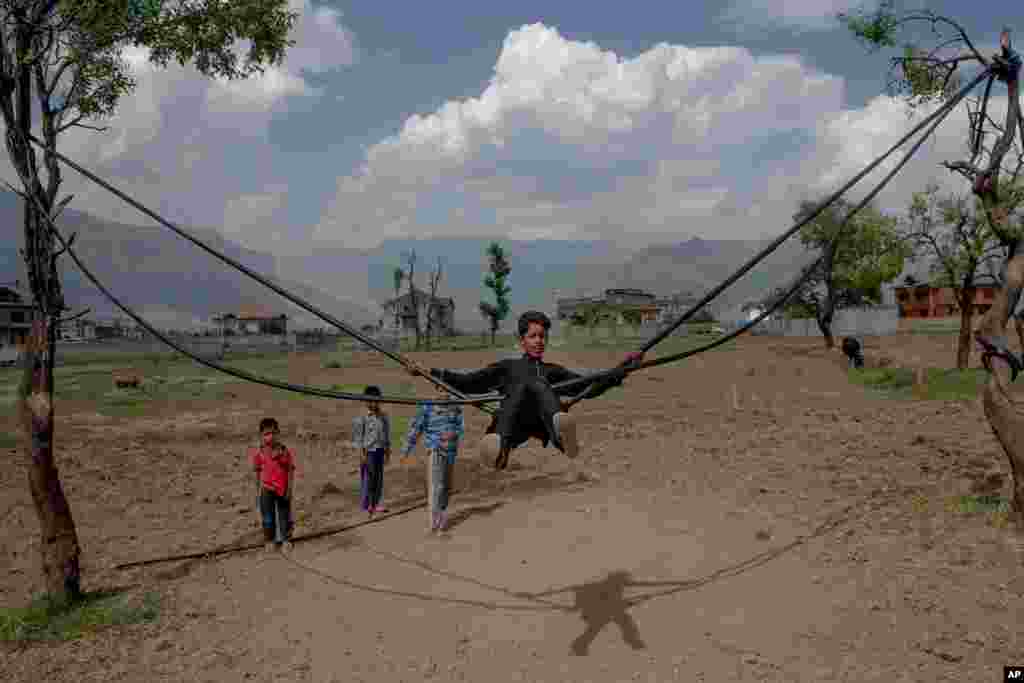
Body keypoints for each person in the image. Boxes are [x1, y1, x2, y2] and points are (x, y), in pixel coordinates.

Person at [408, 310, 643, 470]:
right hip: (513, 422)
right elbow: (469, 383)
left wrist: (623, 369)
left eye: (543, 336)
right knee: (524, 386)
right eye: (533, 336)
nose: (539, 341)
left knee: (538, 384)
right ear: (522, 340)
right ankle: (500, 448)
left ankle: (561, 433)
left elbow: (588, 387)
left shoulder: (552, 371)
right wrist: (429, 372)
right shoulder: (507, 368)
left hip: (541, 420)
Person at [401, 383, 465, 533]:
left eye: (447, 389)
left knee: (447, 488)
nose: (445, 392)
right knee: (437, 486)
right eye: (442, 389)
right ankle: (434, 524)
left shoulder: (455, 407)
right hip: (435, 449)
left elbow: (460, 427)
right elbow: (416, 428)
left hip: (451, 451)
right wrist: (406, 450)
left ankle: (441, 517)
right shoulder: (428, 407)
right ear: (436, 389)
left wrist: (454, 434)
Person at [250, 417, 296, 553]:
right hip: (266, 490)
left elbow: (290, 470)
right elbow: (257, 472)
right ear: (261, 436)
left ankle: (286, 539)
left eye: (273, 433)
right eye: (266, 434)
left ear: (278, 433)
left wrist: (289, 489)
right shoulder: (259, 453)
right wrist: (257, 491)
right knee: (268, 517)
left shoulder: (284, 451)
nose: (270, 437)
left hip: (282, 489)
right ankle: (269, 540)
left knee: (284, 516)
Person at [351, 385, 391, 515]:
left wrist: (387, 452)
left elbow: (386, 435)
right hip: (368, 452)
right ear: (366, 401)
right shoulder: (361, 418)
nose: (374, 403)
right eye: (371, 401)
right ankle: (366, 505)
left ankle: (376, 503)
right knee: (368, 478)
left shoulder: (383, 417)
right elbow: (358, 438)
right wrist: (361, 454)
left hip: (380, 450)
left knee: (378, 478)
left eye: (376, 400)